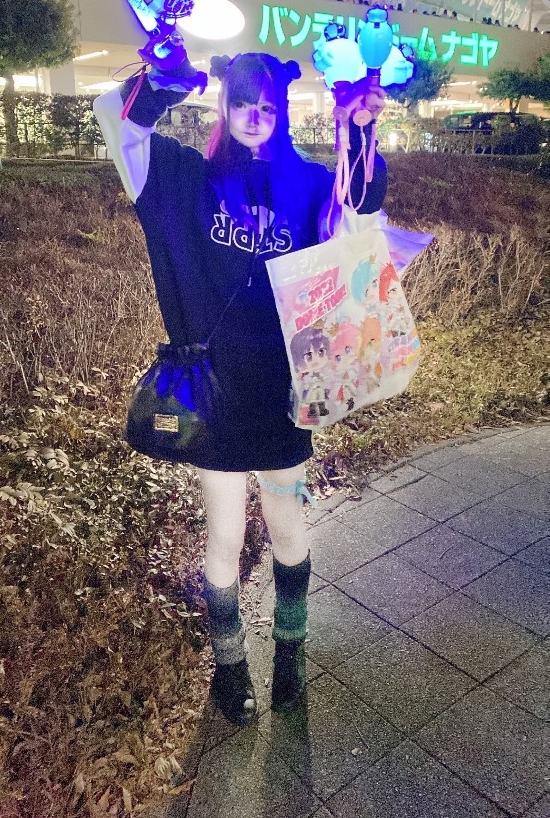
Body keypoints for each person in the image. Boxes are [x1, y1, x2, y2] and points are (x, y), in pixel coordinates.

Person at [93, 47, 387, 727]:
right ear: (223, 107)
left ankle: (290, 649)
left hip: (284, 391)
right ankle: (229, 665)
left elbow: (358, 221)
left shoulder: (307, 184)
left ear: (280, 112)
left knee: (287, 525)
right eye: (243, 104)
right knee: (223, 535)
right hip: (215, 394)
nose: (255, 116)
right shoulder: (186, 179)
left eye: (268, 107)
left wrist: (363, 131)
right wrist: (160, 82)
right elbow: (118, 123)